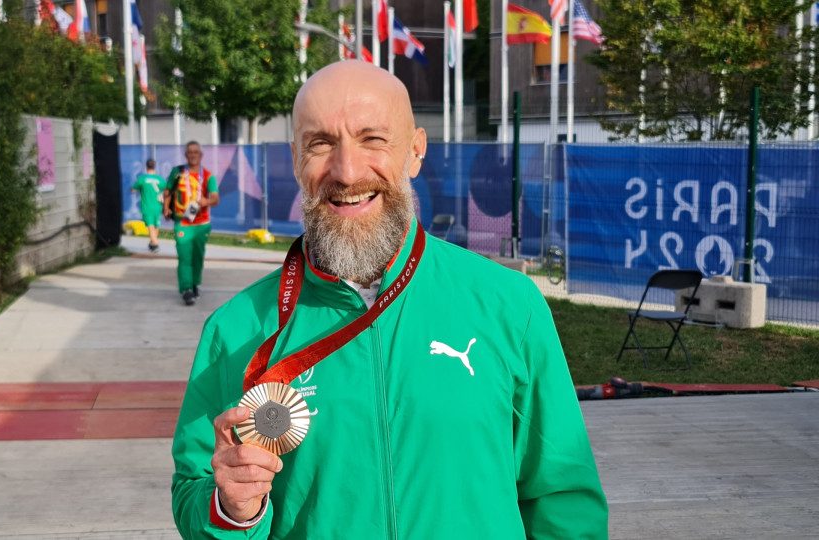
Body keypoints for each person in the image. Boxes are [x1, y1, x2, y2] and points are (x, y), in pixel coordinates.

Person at [171, 61, 608, 538]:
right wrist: (233, 508)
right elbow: (194, 491)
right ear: (296, 158)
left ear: (415, 150)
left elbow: (561, 494)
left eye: (372, 139)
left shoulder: (508, 304)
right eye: (321, 144)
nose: (347, 171)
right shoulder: (234, 332)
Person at [164, 141, 219, 305]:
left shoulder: (208, 176)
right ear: (186, 155)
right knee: (184, 256)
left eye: (196, 152)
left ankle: (195, 284)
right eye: (190, 152)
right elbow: (168, 190)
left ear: (200, 155)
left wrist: (205, 201)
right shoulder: (178, 172)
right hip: (183, 222)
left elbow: (215, 198)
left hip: (202, 224)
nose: (193, 155)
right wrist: (166, 208)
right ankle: (186, 288)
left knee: (197, 256)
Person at [130, 158, 165, 253]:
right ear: (155, 167)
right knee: (156, 225)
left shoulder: (142, 179)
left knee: (150, 225)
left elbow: (133, 190)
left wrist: (134, 190)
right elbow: (167, 190)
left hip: (147, 206)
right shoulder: (160, 180)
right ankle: (152, 243)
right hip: (158, 206)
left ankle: (155, 243)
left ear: (146, 167)